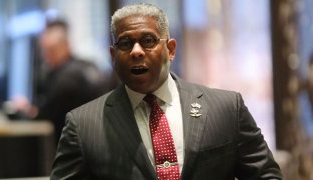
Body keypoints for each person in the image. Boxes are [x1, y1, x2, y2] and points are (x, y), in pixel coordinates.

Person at [51, 3, 282, 180]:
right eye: (125, 44)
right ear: (113, 56)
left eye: (148, 40)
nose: (137, 51)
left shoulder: (226, 108)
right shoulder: (83, 126)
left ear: (170, 49)